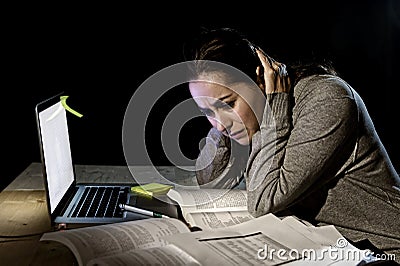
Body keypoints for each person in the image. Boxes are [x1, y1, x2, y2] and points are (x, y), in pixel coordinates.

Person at [183, 27, 400, 260]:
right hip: (325, 247)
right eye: (207, 112)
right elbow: (209, 180)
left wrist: (275, 107)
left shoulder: (327, 99)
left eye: (228, 104)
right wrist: (220, 118)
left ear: (259, 78)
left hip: (385, 251)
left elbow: (263, 201)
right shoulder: (247, 118)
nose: (218, 124)